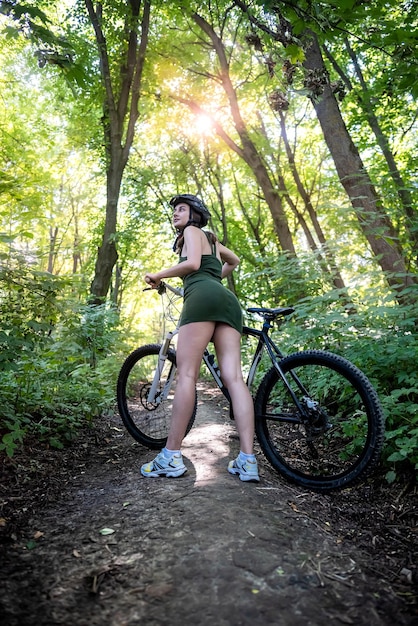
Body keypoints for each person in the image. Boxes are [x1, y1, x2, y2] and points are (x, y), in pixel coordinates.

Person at [141, 193, 259, 482]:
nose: (175, 214)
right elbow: (234, 260)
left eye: (181, 209)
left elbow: (193, 264)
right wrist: (215, 277)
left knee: (187, 376)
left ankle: (170, 456)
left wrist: (158, 274)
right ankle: (247, 460)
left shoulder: (192, 232)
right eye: (174, 211)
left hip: (202, 299)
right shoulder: (213, 240)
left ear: (194, 215)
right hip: (226, 301)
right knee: (234, 379)